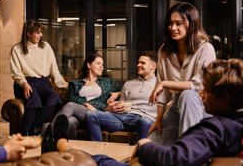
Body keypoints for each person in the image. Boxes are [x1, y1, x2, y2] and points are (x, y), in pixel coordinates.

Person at [54, 59, 243, 166]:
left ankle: (62, 146)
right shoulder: (235, 123)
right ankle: (65, 146)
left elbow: (176, 159)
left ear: (224, 97)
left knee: (101, 163)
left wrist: (144, 145)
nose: (201, 93)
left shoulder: (215, 128)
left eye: (207, 90)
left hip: (143, 122)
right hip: (122, 115)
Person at [148, 2, 216, 145]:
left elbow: (199, 85)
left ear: (191, 24)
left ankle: (190, 152)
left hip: (201, 105)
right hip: (176, 106)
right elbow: (163, 93)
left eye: (179, 23)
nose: (173, 28)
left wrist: (165, 83)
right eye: (170, 23)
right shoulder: (164, 51)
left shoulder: (206, 49)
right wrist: (159, 119)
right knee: (150, 146)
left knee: (188, 95)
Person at [43, 53, 121, 150]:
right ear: (89, 65)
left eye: (102, 64)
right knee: (70, 122)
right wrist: (86, 105)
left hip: (96, 114)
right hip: (79, 116)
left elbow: (124, 90)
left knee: (71, 106)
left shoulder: (107, 82)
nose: (102, 66)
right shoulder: (76, 83)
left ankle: (48, 133)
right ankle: (68, 150)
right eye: (98, 63)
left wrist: (117, 94)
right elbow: (72, 98)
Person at [10, 19, 68, 136]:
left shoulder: (46, 47)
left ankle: (35, 129)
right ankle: (23, 133)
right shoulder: (17, 49)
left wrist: (65, 85)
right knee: (35, 101)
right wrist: (24, 84)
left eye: (41, 32)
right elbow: (16, 72)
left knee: (53, 98)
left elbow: (54, 69)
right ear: (28, 33)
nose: (41, 35)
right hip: (26, 82)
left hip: (42, 82)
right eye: (37, 32)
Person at [86, 51, 157, 141]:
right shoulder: (129, 84)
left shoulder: (159, 85)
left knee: (145, 121)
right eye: (138, 62)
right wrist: (114, 106)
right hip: (122, 118)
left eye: (142, 63)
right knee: (91, 115)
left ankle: (140, 152)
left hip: (143, 119)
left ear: (152, 66)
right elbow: (122, 103)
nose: (138, 65)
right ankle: (97, 151)